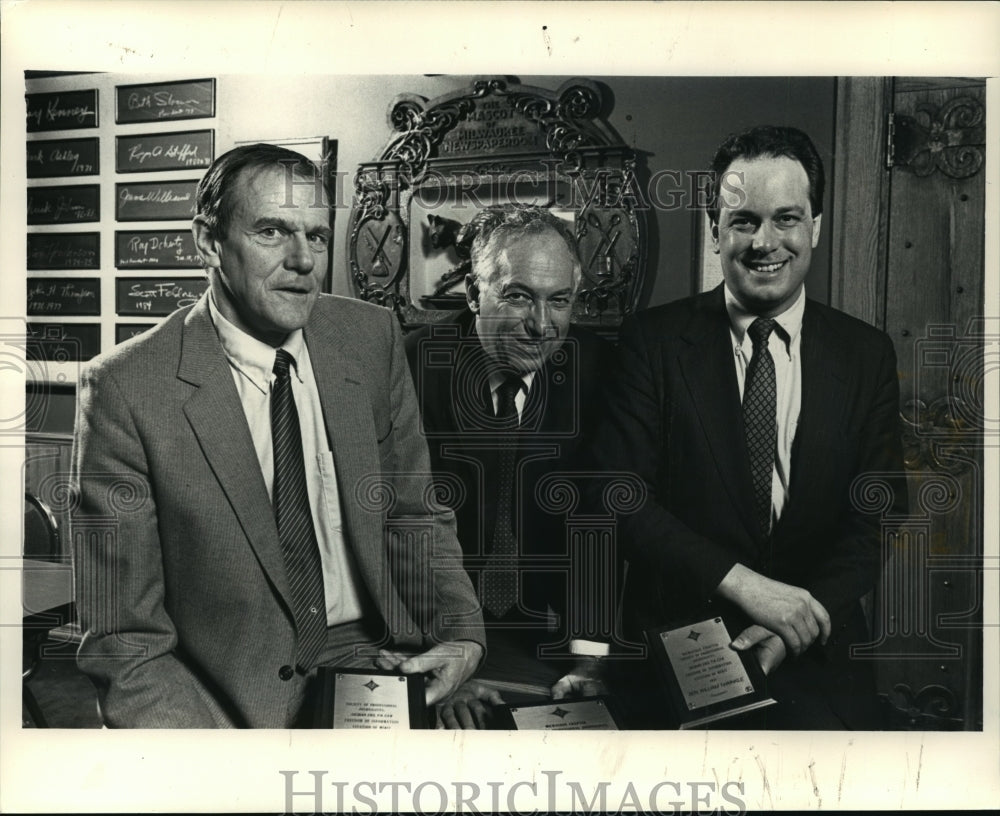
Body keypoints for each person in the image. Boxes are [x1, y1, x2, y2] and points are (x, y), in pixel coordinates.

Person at [71, 144, 484, 728]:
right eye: (272, 232)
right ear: (209, 242)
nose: (304, 261)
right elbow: (124, 639)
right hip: (222, 699)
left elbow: (414, 510)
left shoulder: (369, 337)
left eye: (316, 236)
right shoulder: (125, 389)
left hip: (385, 665)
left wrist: (460, 635)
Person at [592, 125, 907, 729]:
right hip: (675, 659)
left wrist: (792, 624)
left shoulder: (864, 354)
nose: (765, 242)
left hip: (819, 658)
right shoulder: (651, 343)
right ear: (716, 231)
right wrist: (747, 588)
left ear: (815, 225)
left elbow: (876, 516)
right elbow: (617, 497)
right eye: (743, 221)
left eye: (786, 218)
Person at [405, 205, 616, 728]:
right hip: (432, 627)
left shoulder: (596, 372)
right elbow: (395, 528)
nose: (541, 326)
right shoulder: (410, 367)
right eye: (518, 296)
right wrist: (447, 659)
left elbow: (600, 518)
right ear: (475, 294)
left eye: (559, 301)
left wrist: (590, 655)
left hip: (547, 636)